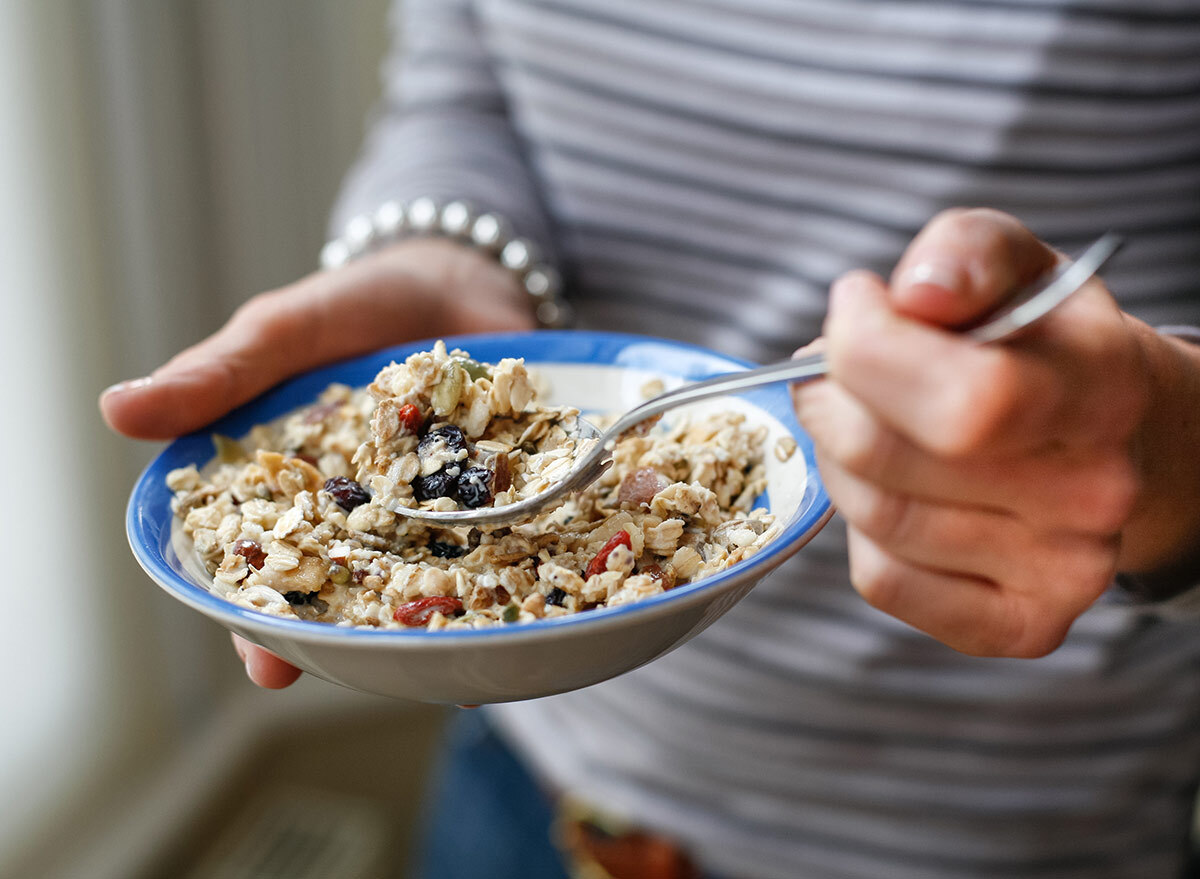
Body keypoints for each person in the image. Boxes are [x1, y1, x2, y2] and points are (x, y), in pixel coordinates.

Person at [101, 2, 1200, 877]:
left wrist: (1175, 445)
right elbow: (466, 77)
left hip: (1001, 819)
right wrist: (441, 251)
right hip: (539, 768)